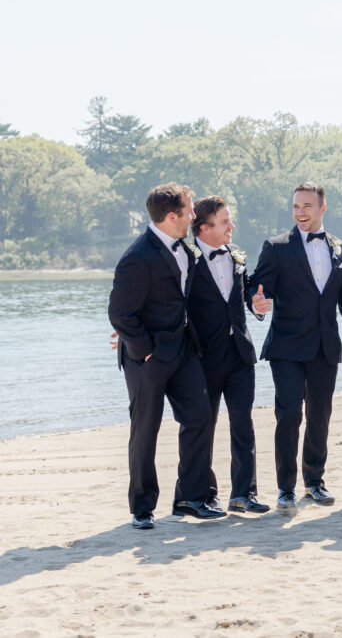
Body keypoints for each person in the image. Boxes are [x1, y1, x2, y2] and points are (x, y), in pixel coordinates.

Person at [108, 183, 224, 529]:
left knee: (200, 417)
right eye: (189, 210)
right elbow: (120, 314)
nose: (194, 215)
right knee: (146, 430)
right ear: (171, 216)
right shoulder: (136, 257)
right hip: (149, 359)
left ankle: (190, 497)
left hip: (185, 351)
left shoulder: (186, 251)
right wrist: (143, 350)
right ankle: (142, 507)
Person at [248, 182, 342, 511]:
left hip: (326, 346)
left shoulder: (341, 249)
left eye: (307, 206)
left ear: (323, 208)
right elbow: (258, 288)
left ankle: (315, 482)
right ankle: (285, 488)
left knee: (320, 416)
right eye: (296, 206)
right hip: (286, 347)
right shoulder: (276, 246)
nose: (300, 212)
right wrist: (258, 304)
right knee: (289, 415)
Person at [187, 196, 270, 514]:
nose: (231, 226)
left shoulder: (237, 255)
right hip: (202, 357)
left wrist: (257, 305)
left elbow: (248, 291)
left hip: (239, 355)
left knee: (243, 424)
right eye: (225, 222)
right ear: (204, 228)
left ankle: (243, 494)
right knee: (202, 426)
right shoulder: (185, 259)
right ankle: (205, 494)